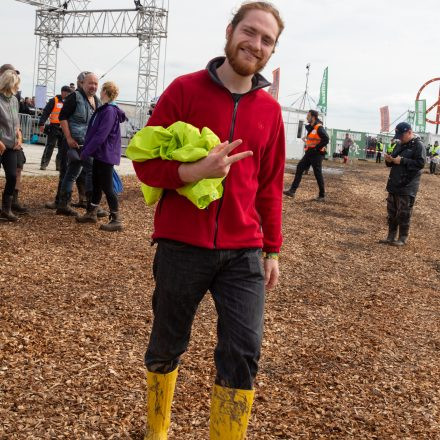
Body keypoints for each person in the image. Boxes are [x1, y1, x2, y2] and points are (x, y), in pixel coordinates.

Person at [131, 2, 285, 438]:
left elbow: (270, 186)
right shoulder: (184, 90)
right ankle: (157, 431)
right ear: (230, 30)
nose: (255, 44)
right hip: (181, 244)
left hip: (243, 252)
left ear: (272, 51)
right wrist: (194, 173)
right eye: (249, 32)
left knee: (244, 351)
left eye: (266, 40)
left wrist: (272, 248)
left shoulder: (270, 112)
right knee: (167, 343)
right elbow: (144, 164)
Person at [77, 81, 126, 231]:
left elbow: (101, 135)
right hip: (101, 153)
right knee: (97, 183)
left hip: (105, 154)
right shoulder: (107, 109)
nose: (99, 91)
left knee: (107, 186)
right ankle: (91, 213)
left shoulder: (109, 111)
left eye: (102, 89)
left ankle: (116, 219)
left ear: (105, 91)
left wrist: (86, 151)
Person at [56, 71, 102, 217]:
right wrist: (68, 138)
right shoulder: (74, 97)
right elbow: (62, 117)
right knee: (91, 171)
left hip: (89, 144)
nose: (93, 86)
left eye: (95, 83)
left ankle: (63, 205)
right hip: (77, 142)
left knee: (72, 172)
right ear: (82, 83)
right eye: (90, 83)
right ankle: (91, 206)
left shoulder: (96, 100)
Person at [379, 122, 425, 246]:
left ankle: (402, 238)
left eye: (401, 135)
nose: (399, 138)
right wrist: (389, 160)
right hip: (394, 182)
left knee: (403, 213)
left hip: (408, 184)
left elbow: (420, 164)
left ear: (409, 132)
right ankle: (391, 236)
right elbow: (393, 161)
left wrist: (403, 160)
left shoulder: (418, 146)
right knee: (391, 212)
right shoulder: (399, 144)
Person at [283, 109, 329, 200]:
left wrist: (316, 148)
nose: (306, 117)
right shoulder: (312, 127)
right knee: (300, 167)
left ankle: (322, 195)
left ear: (313, 117)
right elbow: (313, 137)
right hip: (310, 152)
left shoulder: (319, 127)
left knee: (317, 173)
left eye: (308, 116)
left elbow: (326, 139)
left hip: (317, 153)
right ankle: (292, 191)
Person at [0, 69, 23, 221]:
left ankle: (6, 209)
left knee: (12, 176)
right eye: (16, 84)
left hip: (12, 146)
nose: (18, 87)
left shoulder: (14, 100)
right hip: (1, 143)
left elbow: (16, 121)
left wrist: (19, 136)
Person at [38, 85, 71, 170]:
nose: (67, 94)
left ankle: (59, 165)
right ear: (62, 92)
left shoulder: (69, 102)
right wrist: (42, 123)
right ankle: (44, 164)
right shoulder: (54, 100)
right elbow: (46, 112)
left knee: (62, 148)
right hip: (54, 126)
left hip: (64, 128)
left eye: (69, 93)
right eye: (66, 92)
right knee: (50, 145)